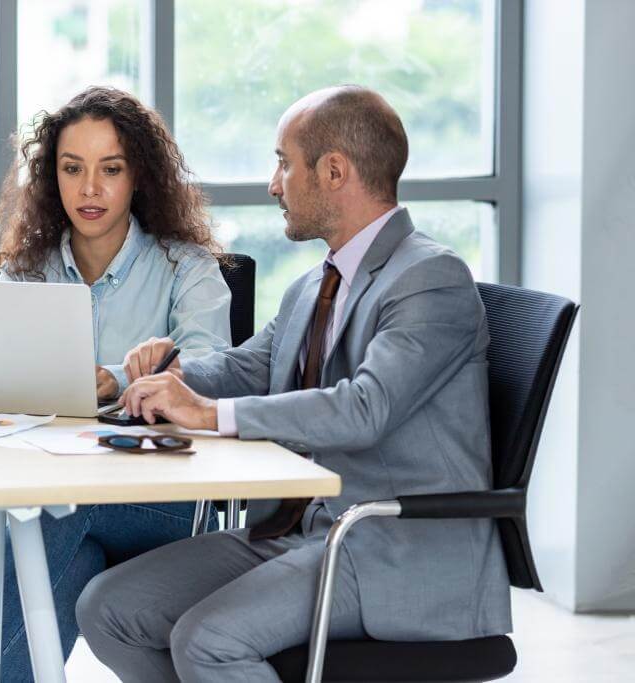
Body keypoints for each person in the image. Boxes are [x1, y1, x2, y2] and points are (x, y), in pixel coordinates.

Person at [75, 85, 512, 682]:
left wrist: (208, 415)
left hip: (386, 546)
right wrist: (155, 377)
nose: (273, 183)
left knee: (209, 642)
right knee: (109, 608)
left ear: (334, 171)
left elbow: (365, 409)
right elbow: (243, 369)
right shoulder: (313, 284)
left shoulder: (430, 278)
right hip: (293, 529)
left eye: (284, 162)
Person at [0, 85, 231, 682]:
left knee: (49, 514)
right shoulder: (27, 272)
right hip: (60, 506)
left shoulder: (187, 268)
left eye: (109, 169)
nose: (89, 189)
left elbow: (212, 369)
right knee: (62, 537)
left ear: (138, 177)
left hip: (166, 506)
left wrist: (118, 378)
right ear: (53, 179)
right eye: (72, 169)